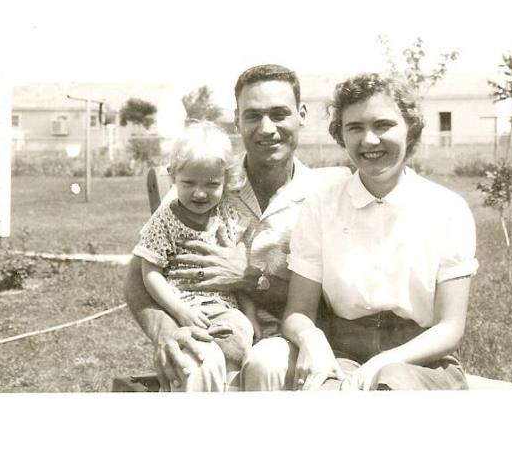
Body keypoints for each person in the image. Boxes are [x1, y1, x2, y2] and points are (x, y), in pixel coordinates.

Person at [123, 64, 347, 391]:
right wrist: (166, 331)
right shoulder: (204, 180)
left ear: (301, 114)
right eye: (253, 115)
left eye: (279, 114)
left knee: (265, 366)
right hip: (207, 326)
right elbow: (137, 276)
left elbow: (334, 304)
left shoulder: (324, 195)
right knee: (192, 363)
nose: (266, 128)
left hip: (284, 340)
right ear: (237, 119)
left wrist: (253, 279)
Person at [279, 72, 478, 390]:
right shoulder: (320, 206)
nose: (369, 140)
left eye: (383, 125)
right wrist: (311, 338)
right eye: (354, 127)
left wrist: (384, 363)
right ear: (340, 134)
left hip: (422, 361)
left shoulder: (447, 209)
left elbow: (450, 328)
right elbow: (298, 311)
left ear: (410, 129)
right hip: (342, 355)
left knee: (391, 385)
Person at [131, 121, 258, 391]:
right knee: (195, 356)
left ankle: (233, 387)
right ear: (172, 176)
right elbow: (149, 271)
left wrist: (250, 315)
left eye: (212, 184)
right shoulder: (164, 220)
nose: (199, 193)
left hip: (224, 308)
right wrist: (179, 310)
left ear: (226, 181)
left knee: (238, 338)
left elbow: (239, 276)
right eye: (188, 183)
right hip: (182, 307)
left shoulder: (227, 218)